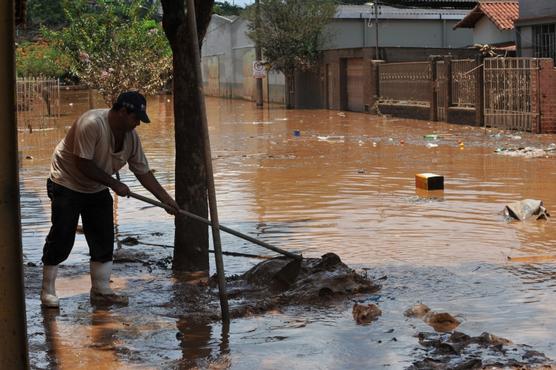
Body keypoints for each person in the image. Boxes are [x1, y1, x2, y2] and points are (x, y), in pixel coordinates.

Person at [40, 91, 179, 308]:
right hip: (66, 181)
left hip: (96, 186)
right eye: (135, 119)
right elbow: (82, 164)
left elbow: (143, 172)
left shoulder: (131, 138)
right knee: (62, 236)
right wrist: (114, 184)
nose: (137, 125)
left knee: (103, 237)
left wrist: (165, 200)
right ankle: (47, 290)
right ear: (123, 112)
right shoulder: (92, 124)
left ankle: (101, 290)